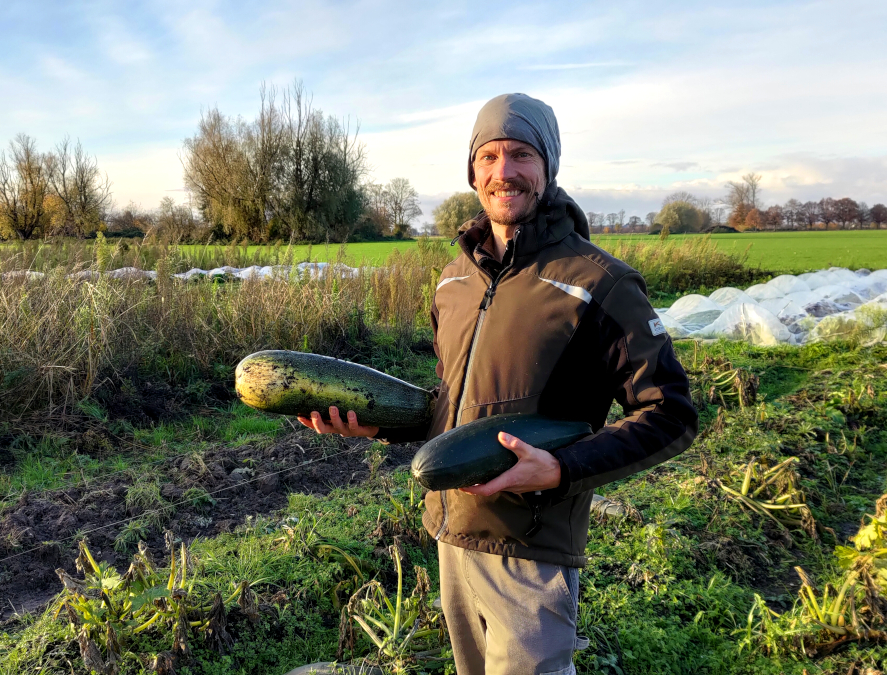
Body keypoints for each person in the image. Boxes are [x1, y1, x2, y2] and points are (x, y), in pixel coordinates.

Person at [299, 93, 698, 675]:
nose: (502, 171)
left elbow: (671, 413)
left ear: (548, 166)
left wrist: (560, 469)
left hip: (532, 549)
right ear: (472, 171)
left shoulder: (599, 283)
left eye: (520, 155)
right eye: (487, 157)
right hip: (450, 534)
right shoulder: (452, 281)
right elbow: (451, 405)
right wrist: (376, 421)